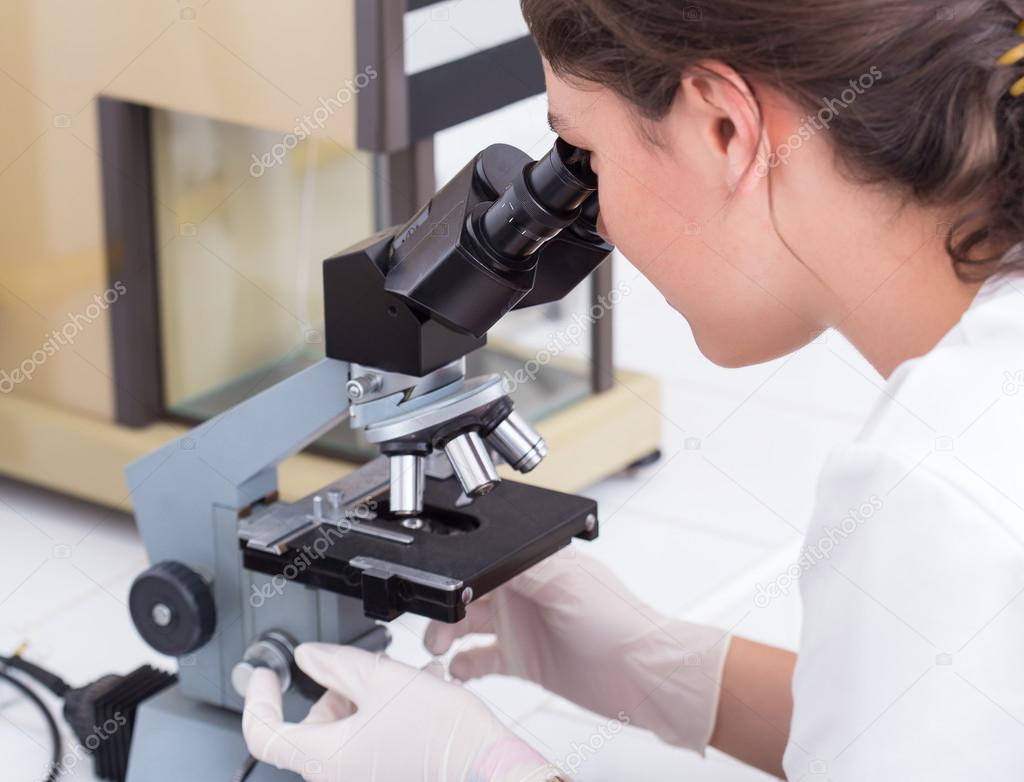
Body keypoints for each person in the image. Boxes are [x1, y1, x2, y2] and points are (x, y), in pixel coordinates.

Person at [242, 1, 1024, 779]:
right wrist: (671, 674)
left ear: (724, 128)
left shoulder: (934, 500)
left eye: (583, 154)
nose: (595, 216)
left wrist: (483, 771)